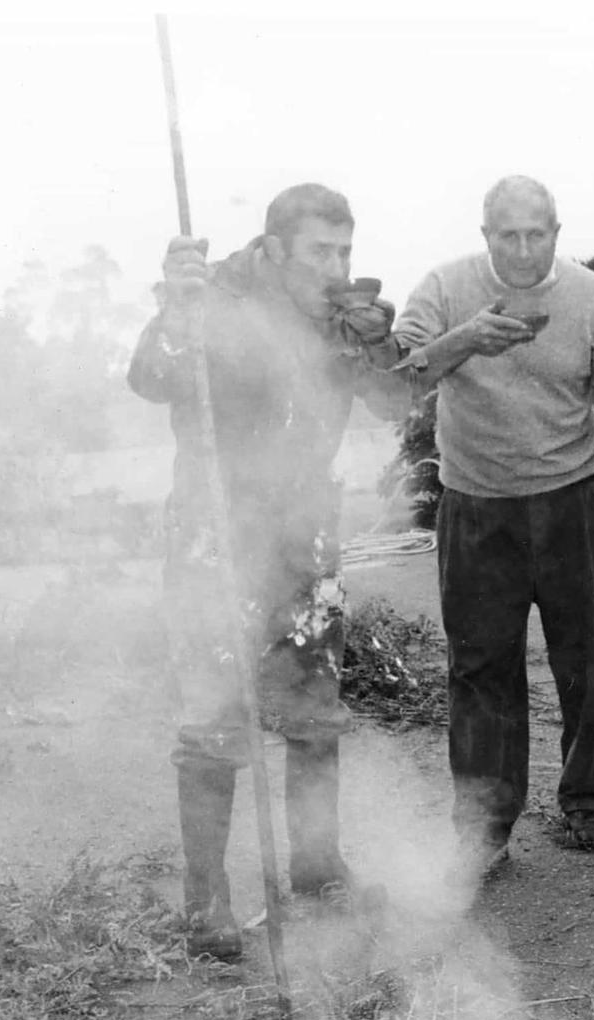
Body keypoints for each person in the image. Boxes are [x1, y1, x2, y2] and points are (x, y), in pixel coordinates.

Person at [128, 183, 407, 959]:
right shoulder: (213, 296)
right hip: (216, 537)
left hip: (304, 537)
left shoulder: (340, 315)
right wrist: (179, 306)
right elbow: (149, 376)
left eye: (346, 249)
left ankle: (316, 871)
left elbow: (394, 400)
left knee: (315, 712)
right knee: (216, 717)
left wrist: (377, 344)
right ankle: (206, 900)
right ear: (276, 247)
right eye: (322, 251)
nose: (338, 265)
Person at [392, 176, 594, 875]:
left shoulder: (592, 297)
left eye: (538, 233)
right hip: (475, 508)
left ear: (557, 233)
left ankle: (586, 799)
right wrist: (464, 339)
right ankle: (483, 828)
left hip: (570, 503)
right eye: (509, 235)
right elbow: (399, 375)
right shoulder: (443, 289)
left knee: (586, 657)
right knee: (479, 670)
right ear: (486, 236)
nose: (525, 248)